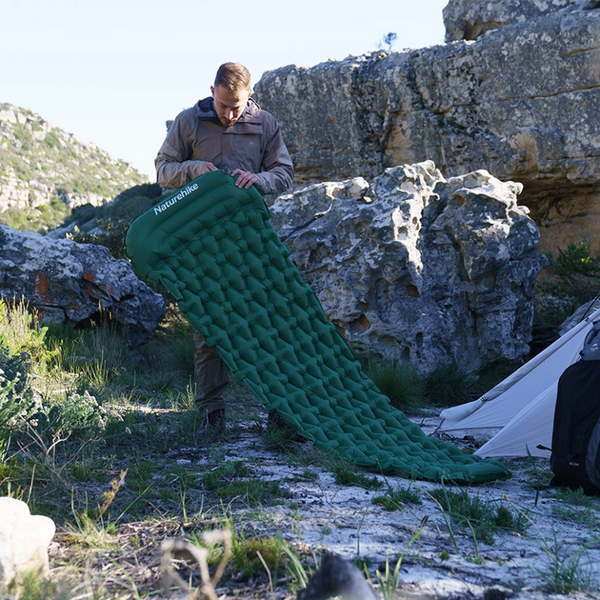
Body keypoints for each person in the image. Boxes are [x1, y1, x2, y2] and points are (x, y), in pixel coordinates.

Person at [155, 62, 294, 431]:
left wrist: (260, 179)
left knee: (266, 321)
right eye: (223, 106)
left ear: (249, 97)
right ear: (212, 91)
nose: (230, 114)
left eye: (237, 106)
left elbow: (284, 172)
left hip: (250, 239)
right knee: (208, 326)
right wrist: (194, 169)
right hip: (201, 241)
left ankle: (280, 411)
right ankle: (210, 414)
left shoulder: (266, 123)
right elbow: (162, 169)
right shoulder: (188, 122)